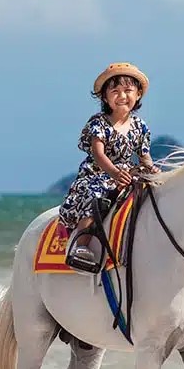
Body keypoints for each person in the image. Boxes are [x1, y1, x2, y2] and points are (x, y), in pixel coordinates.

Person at [59, 62, 160, 266]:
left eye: (128, 90)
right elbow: (98, 153)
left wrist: (153, 169)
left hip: (127, 174)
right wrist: (113, 172)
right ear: (105, 97)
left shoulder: (140, 127)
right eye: (115, 91)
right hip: (99, 173)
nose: (122, 96)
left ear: (138, 94)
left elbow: (144, 155)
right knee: (95, 197)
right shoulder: (99, 123)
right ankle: (81, 243)